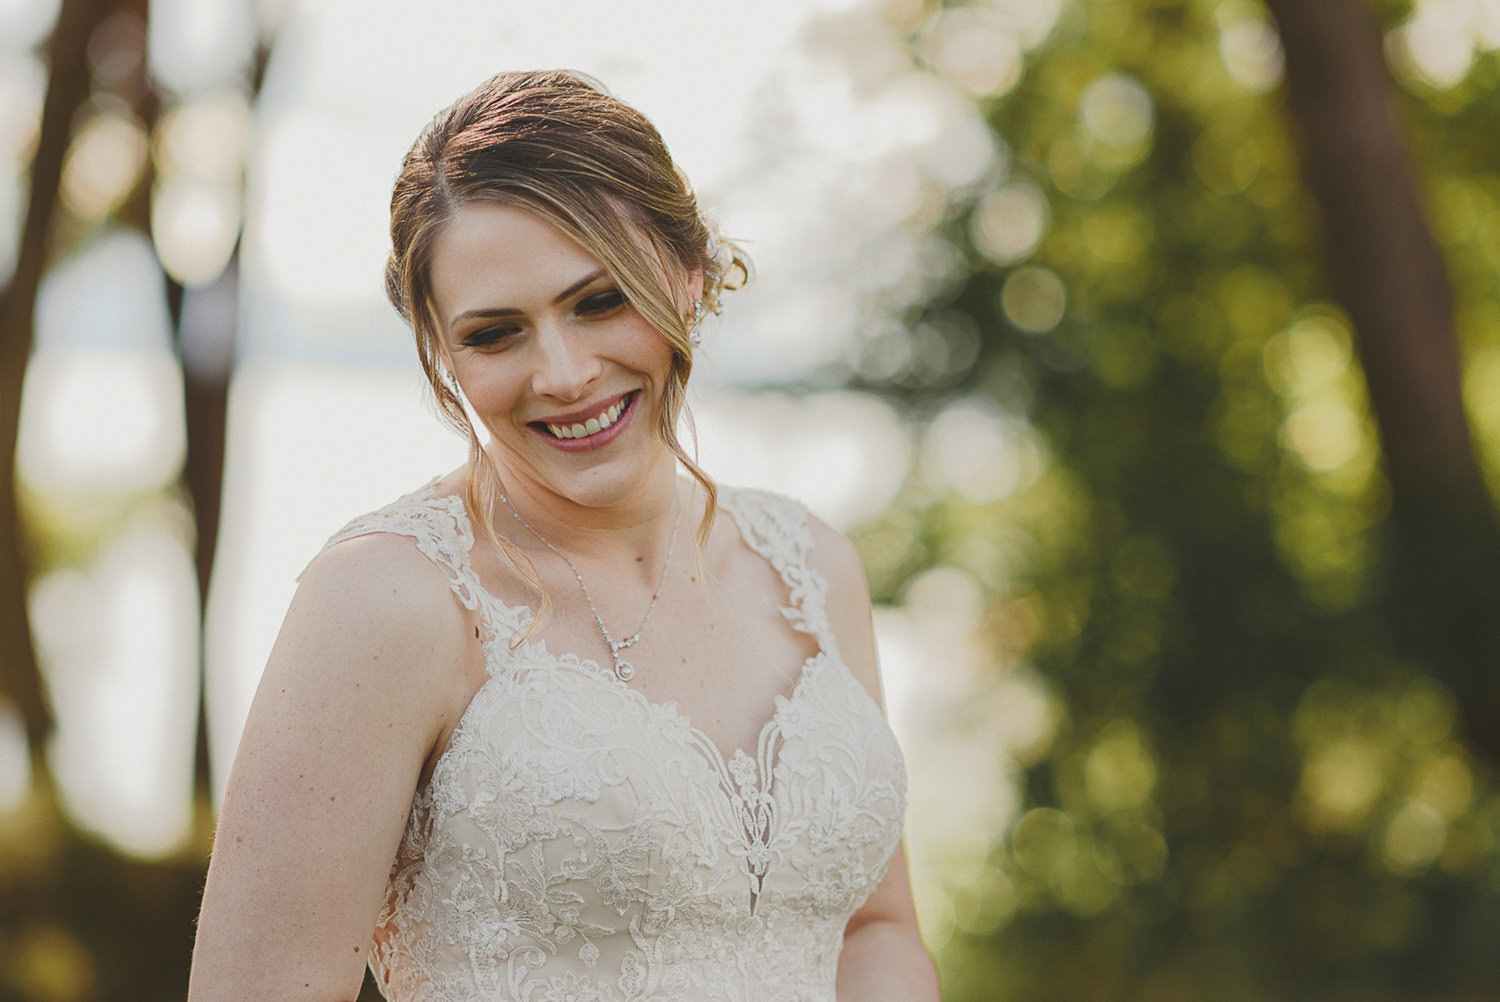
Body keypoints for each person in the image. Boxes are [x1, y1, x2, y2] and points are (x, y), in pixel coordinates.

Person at [188, 70, 938, 1002]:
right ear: (439, 348)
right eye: (496, 335)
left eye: (598, 301)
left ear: (687, 272)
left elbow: (875, 928)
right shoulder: (386, 601)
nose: (564, 372)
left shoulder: (815, 568)